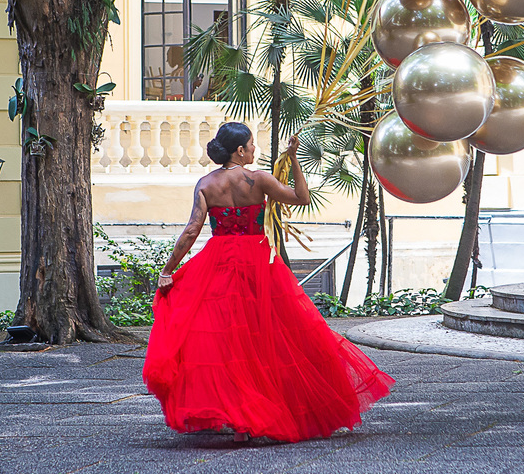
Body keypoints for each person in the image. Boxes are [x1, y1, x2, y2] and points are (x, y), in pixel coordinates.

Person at [142, 121, 394, 443]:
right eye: (251, 145)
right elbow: (301, 197)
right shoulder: (258, 179)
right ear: (239, 151)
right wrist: (295, 159)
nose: (254, 150)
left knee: (224, 340)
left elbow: (192, 230)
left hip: (217, 263)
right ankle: (259, 412)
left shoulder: (206, 184)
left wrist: (168, 270)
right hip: (257, 261)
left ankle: (234, 414)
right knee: (269, 336)